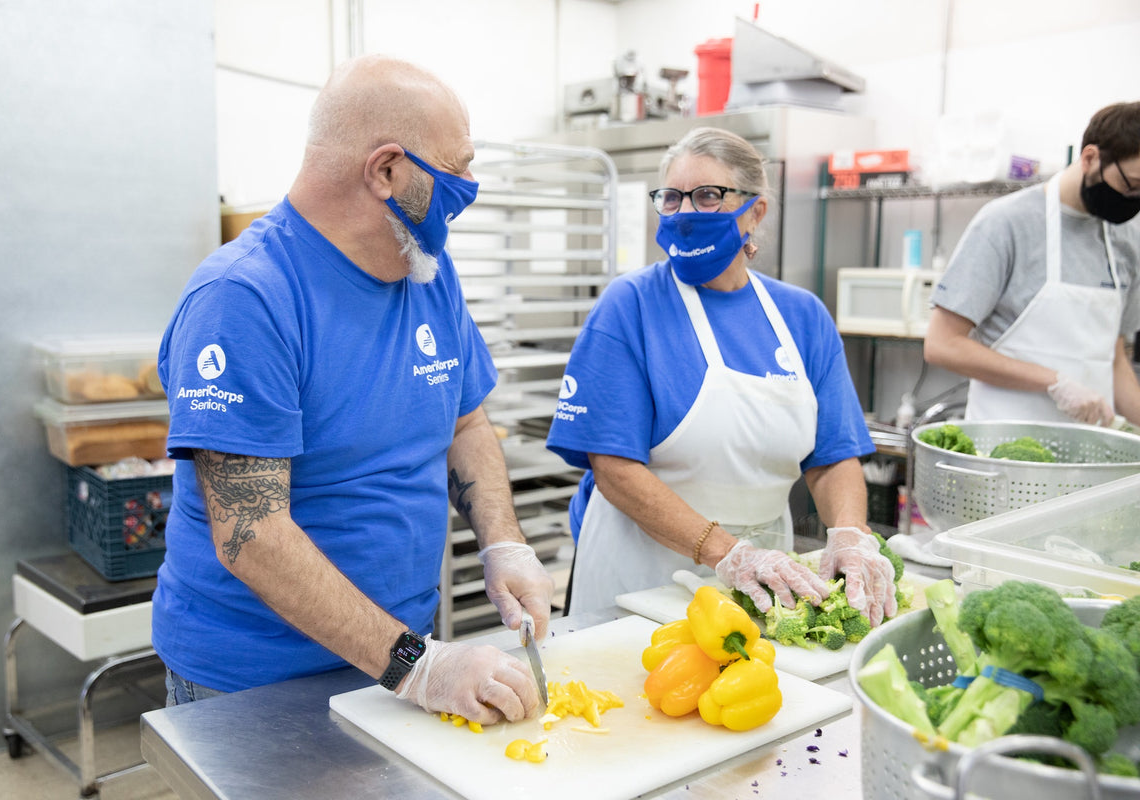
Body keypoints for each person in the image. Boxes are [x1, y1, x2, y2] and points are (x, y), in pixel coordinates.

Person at [151, 54, 553, 725]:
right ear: (387, 170)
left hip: (397, 657)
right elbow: (252, 533)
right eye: (456, 168)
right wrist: (419, 667)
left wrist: (502, 542)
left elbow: (466, 423)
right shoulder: (245, 298)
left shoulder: (427, 271)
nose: (468, 187)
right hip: (257, 686)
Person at [545, 126, 897, 626]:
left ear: (756, 211)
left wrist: (849, 533)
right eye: (672, 198)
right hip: (640, 574)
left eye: (708, 196)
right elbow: (615, 469)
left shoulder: (802, 316)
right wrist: (729, 554)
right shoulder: (631, 306)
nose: (686, 213)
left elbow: (833, 456)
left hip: (766, 574)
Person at [924, 101, 1140, 425]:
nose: (1134, 200)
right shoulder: (1006, 223)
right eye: (1131, 185)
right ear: (1090, 158)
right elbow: (943, 345)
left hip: (1088, 450)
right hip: (1003, 444)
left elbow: (1117, 360)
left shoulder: (1127, 238)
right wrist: (1053, 381)